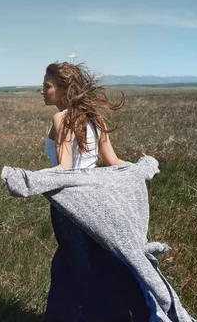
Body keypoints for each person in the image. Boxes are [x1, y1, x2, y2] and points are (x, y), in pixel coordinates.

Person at [40, 62, 150, 321]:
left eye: (46, 86)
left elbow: (66, 169)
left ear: (63, 88)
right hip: (97, 204)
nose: (41, 91)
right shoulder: (96, 118)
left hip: (70, 207)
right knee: (67, 267)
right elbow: (114, 162)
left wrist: (29, 180)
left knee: (87, 275)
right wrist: (141, 166)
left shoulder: (61, 118)